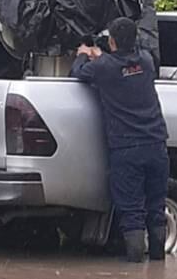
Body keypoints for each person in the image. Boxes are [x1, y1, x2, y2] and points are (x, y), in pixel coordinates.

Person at [71, 18, 170, 262]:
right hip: (157, 144)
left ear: (112, 41)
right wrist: (101, 55)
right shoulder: (146, 61)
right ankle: (158, 266)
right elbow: (124, 65)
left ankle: (137, 276)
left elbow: (78, 73)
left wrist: (84, 54)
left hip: (127, 150)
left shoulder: (104, 67)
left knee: (132, 212)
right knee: (156, 209)